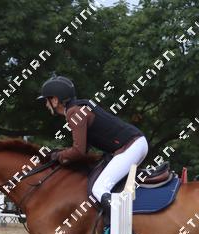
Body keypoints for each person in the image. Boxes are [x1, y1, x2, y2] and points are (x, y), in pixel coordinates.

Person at [38, 74, 148, 211]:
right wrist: (62, 153)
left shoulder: (74, 112)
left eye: (47, 100)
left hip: (131, 147)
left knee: (99, 188)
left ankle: (120, 222)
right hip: (135, 144)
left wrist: (56, 156)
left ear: (55, 100)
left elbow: (78, 151)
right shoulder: (79, 107)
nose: (46, 104)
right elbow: (84, 149)